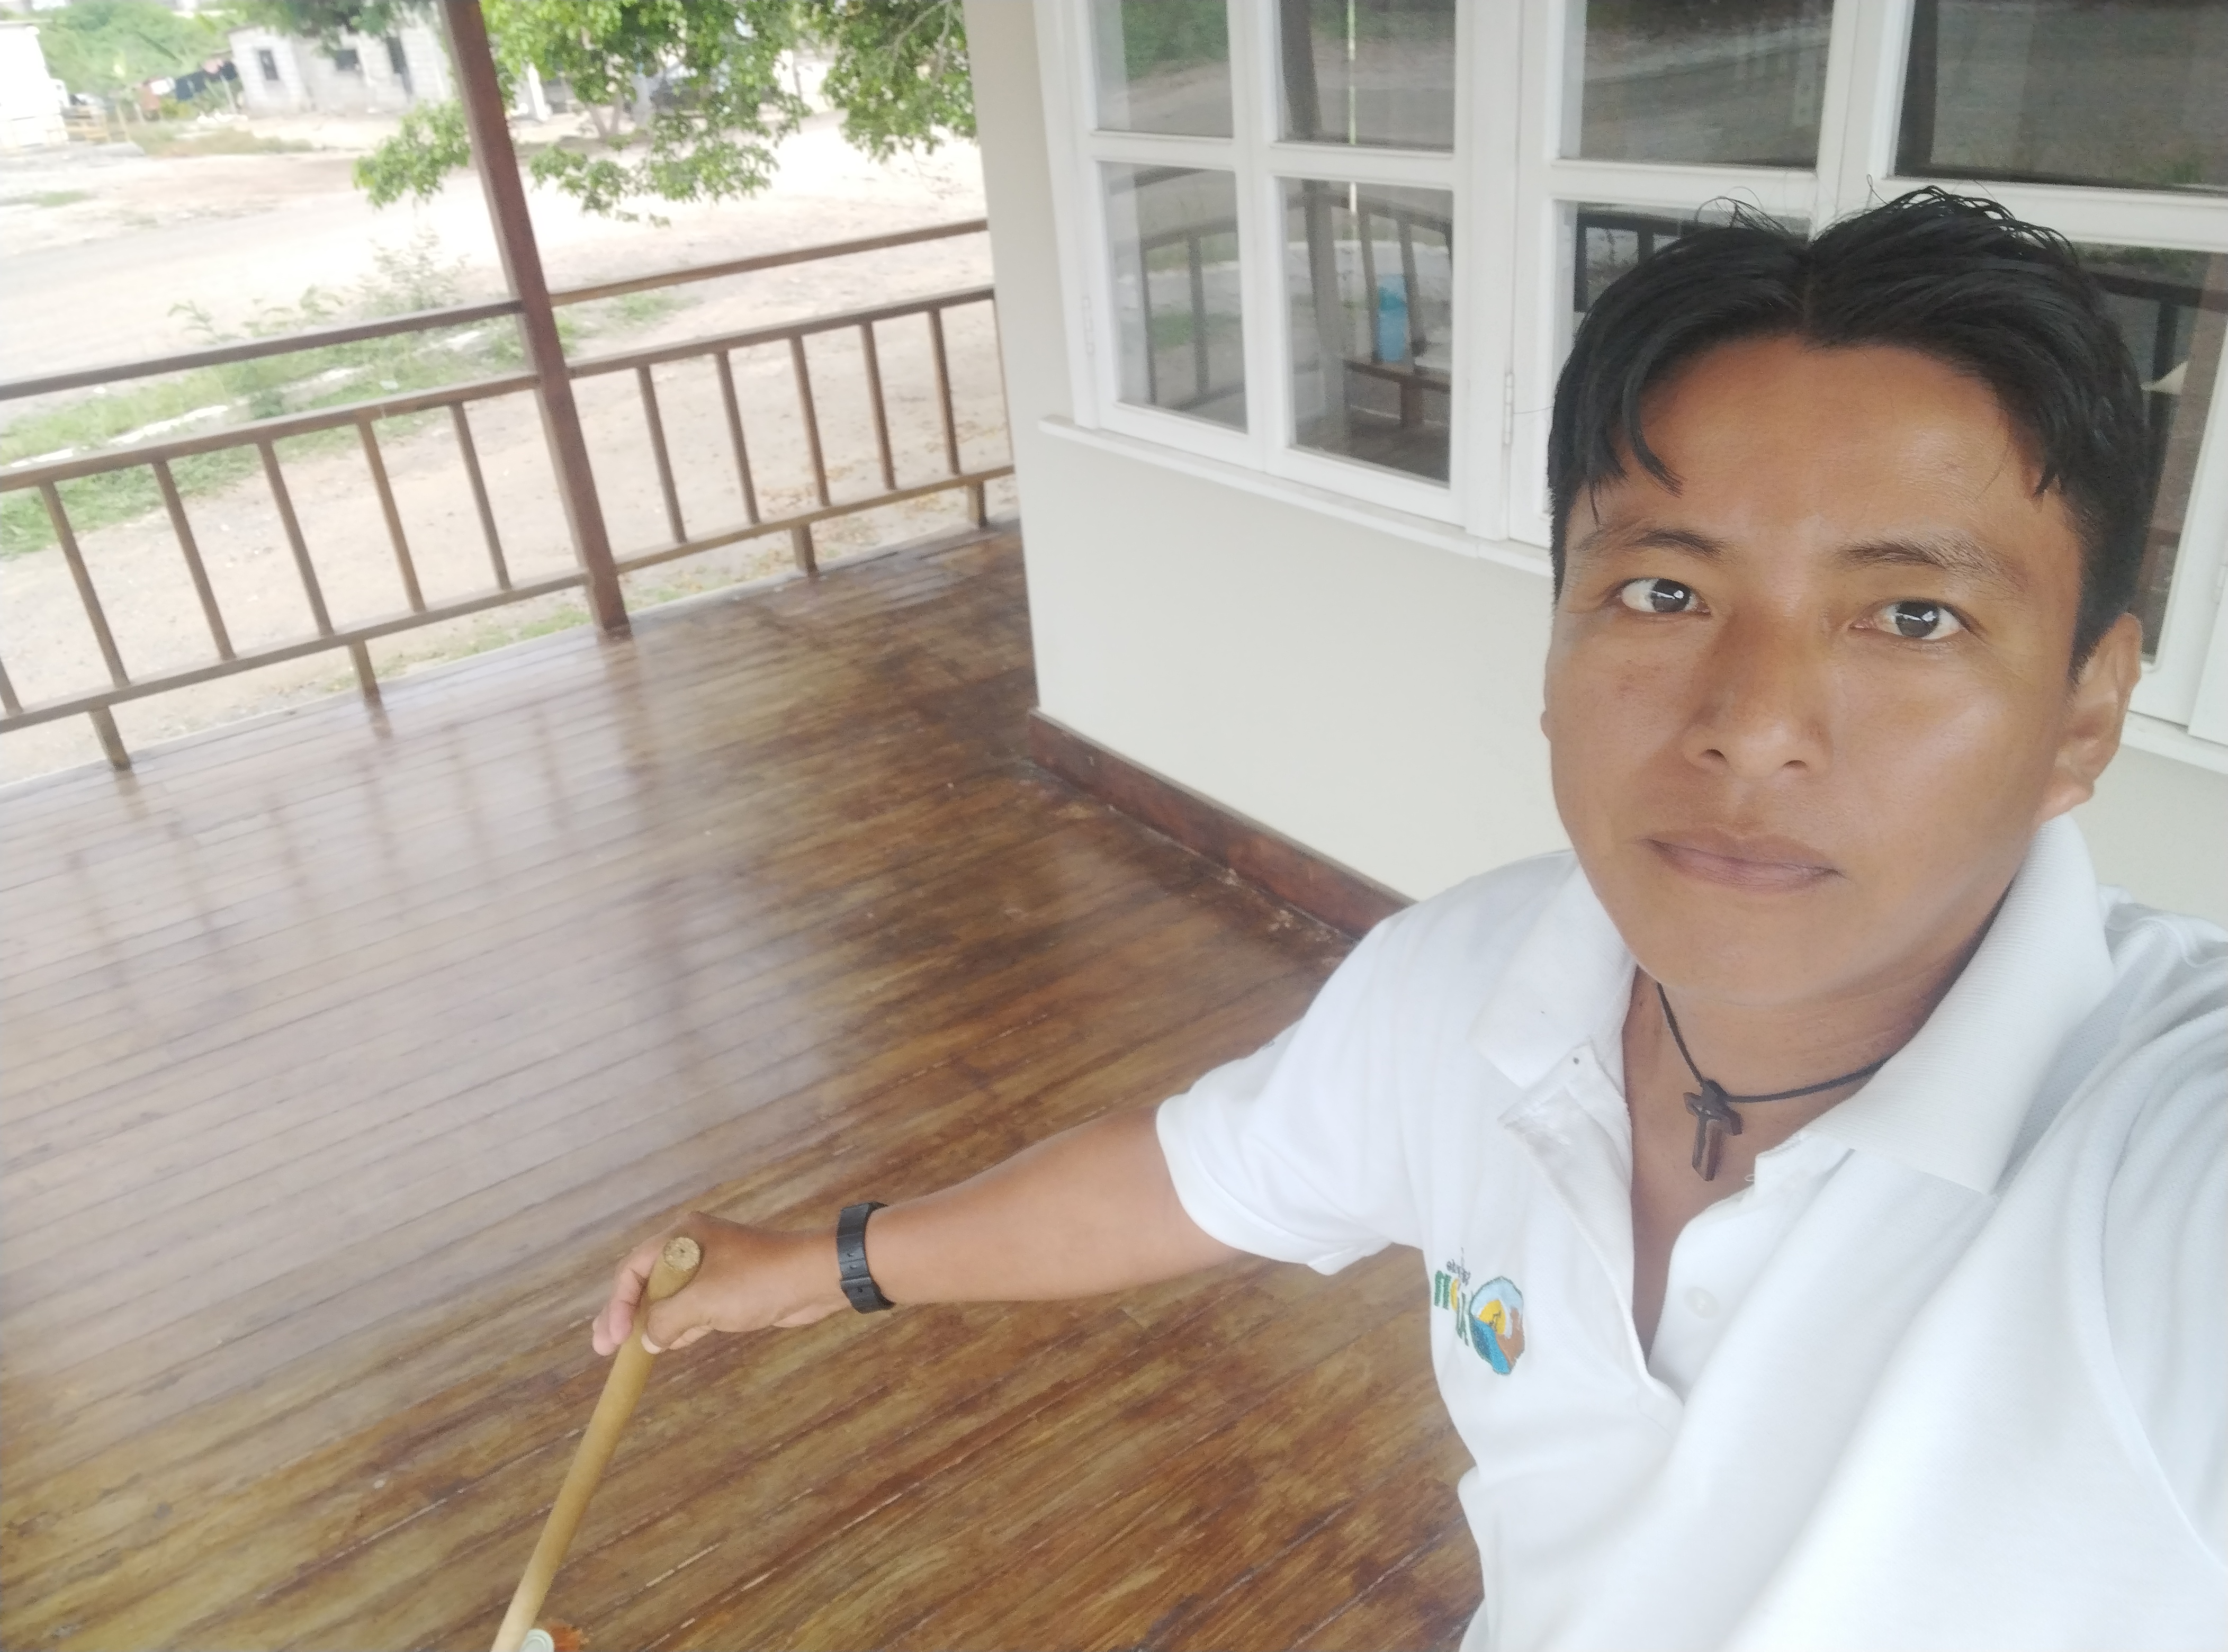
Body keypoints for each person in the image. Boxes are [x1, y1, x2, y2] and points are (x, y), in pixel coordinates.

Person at [592, 190, 2226, 1650]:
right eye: (1664, 591)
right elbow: (1208, 1176)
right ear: (1556, 645)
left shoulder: (2163, 1156)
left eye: (1913, 616)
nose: (1752, 725)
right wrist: (822, 1267)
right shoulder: (1474, 983)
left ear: (2085, 714)